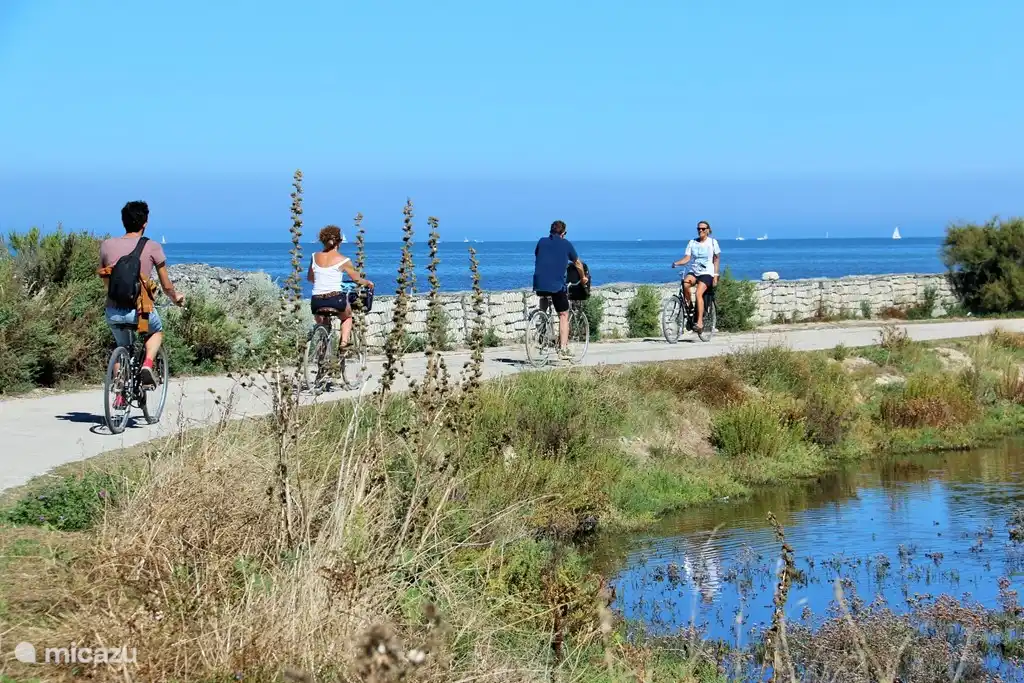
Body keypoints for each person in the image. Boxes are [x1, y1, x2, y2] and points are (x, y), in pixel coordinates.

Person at [99, 200, 185, 391]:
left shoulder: (106, 245)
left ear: (123, 221)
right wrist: (176, 297)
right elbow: (166, 285)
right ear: (145, 223)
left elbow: (105, 279)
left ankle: (120, 389)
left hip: (113, 310)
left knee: (120, 344)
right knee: (156, 331)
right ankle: (147, 364)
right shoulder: (153, 247)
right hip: (140, 312)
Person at [307, 225, 374, 351]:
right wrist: (368, 283)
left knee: (323, 323)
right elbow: (357, 279)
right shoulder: (344, 260)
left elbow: (310, 278)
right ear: (339, 241)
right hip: (335, 299)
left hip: (316, 301)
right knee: (347, 317)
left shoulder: (314, 257)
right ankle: (343, 344)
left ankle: (322, 350)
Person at [533, 220, 588, 361]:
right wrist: (583, 278)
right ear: (563, 233)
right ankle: (563, 348)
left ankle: (542, 321)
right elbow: (577, 263)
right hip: (556, 285)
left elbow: (539, 256)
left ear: (550, 231)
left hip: (539, 283)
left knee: (544, 296)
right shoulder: (566, 244)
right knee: (563, 313)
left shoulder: (541, 241)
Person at [671, 220, 720, 333]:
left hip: (707, 272)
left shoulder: (712, 242)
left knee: (699, 293)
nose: (700, 231)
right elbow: (687, 258)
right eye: (699, 229)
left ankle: (700, 323)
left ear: (708, 230)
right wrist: (677, 263)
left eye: (703, 229)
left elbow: (716, 260)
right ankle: (690, 306)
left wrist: (716, 276)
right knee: (685, 283)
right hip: (694, 271)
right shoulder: (692, 242)